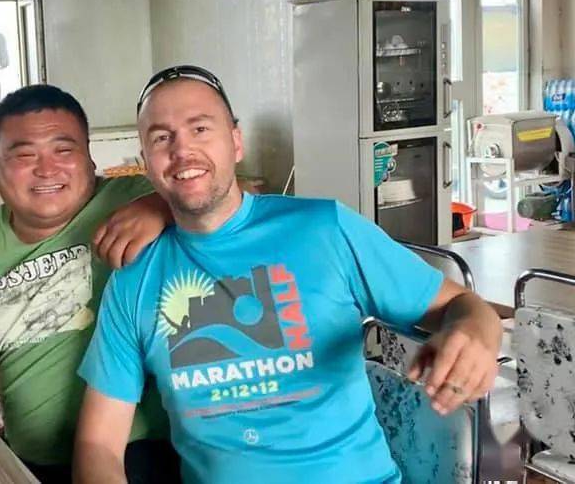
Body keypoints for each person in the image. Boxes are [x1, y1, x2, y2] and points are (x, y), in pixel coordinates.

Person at [74, 65, 503, 483]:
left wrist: (477, 331)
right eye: (161, 138)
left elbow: (462, 305)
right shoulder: (134, 279)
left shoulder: (326, 229)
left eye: (200, 128)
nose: (182, 150)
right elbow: (98, 445)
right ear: (146, 163)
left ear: (235, 142)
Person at [0, 84, 179, 483]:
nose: (46, 169)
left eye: (64, 150)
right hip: (32, 461)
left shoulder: (133, 199)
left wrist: (164, 205)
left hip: (145, 450)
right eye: (24, 155)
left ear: (89, 157)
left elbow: (230, 198)